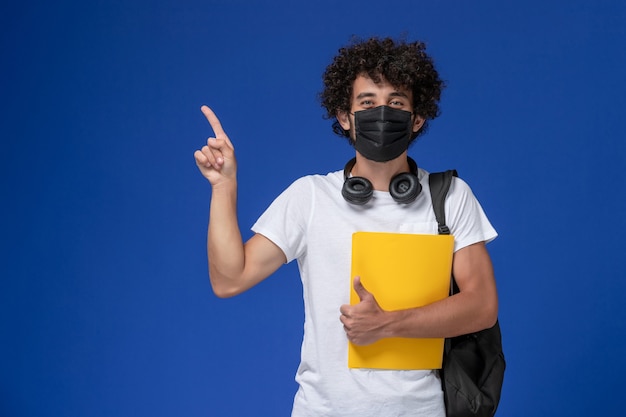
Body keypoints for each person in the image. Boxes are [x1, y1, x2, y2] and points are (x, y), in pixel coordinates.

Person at [194, 37, 499, 417]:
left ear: (417, 118)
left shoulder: (451, 197)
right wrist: (224, 186)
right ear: (344, 117)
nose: (382, 113)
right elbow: (229, 279)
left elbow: (482, 305)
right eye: (367, 103)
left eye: (397, 103)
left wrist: (388, 324)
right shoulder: (310, 197)